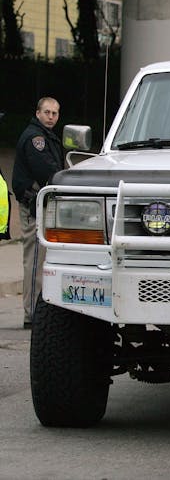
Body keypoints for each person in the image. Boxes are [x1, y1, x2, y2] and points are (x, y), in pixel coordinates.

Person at [12, 97, 64, 329]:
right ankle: (32, 314)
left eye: (55, 113)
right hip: (34, 207)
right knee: (35, 261)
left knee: (43, 260)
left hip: (41, 205)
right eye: (47, 112)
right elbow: (48, 171)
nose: (51, 116)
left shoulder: (45, 135)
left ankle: (38, 312)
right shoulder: (36, 138)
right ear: (38, 113)